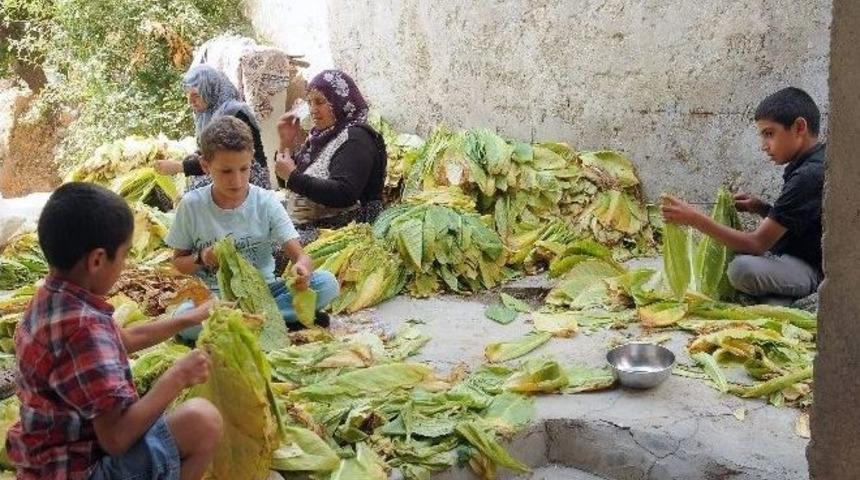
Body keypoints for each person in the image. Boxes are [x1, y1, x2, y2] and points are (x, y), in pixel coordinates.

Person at [6, 182, 223, 480]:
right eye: (123, 256)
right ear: (97, 260)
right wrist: (178, 376)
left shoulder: (50, 299)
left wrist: (188, 319)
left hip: (45, 464)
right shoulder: (84, 328)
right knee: (203, 420)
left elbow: (123, 339)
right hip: (82, 470)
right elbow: (116, 439)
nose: (125, 265)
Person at [165, 116, 339, 333]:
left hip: (265, 291)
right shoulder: (191, 205)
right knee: (183, 320)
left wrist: (302, 271)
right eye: (226, 171)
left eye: (244, 169)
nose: (236, 181)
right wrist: (203, 258)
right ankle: (275, 320)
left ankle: (245, 324)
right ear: (205, 166)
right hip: (215, 298)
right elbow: (178, 263)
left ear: (251, 161)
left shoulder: (266, 201)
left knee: (327, 284)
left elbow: (301, 257)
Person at [662, 87, 824, 304]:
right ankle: (778, 298)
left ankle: (806, 290)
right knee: (738, 262)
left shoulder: (808, 176)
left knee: (740, 269)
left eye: (769, 134)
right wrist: (761, 208)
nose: (764, 146)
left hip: (813, 268)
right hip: (793, 256)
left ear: (799, 127)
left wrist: (694, 219)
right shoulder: (811, 162)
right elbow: (799, 221)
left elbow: (757, 243)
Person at [274, 69, 387, 244]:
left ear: (340, 102)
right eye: (310, 103)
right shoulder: (323, 136)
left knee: (266, 247)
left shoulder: (355, 138)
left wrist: (292, 177)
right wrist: (285, 142)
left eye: (320, 102)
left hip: (343, 228)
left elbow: (343, 193)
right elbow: (287, 181)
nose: (313, 110)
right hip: (311, 221)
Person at [155, 64, 271, 191]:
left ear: (210, 91)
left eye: (196, 96)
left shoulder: (234, 114)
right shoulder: (207, 114)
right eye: (188, 96)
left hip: (247, 177)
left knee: (198, 191)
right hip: (225, 171)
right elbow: (207, 151)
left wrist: (179, 167)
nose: (190, 102)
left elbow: (223, 158)